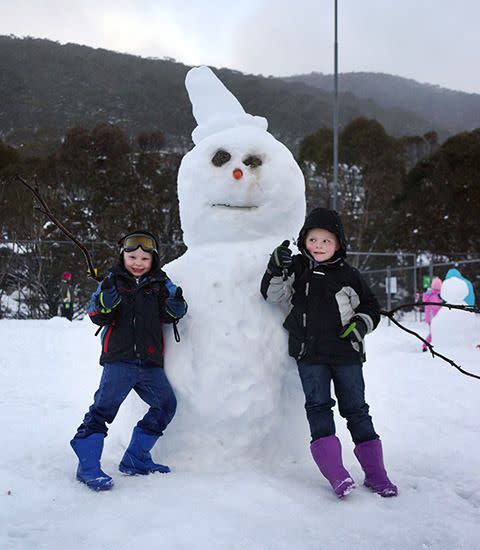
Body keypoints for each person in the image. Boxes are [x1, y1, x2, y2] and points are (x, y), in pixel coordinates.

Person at [260, 208, 397, 498]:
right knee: (318, 409)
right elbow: (272, 295)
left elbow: (370, 308)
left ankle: (377, 475)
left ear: (338, 244)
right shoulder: (297, 269)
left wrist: (360, 324)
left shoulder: (349, 275)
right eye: (313, 239)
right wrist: (275, 269)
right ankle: (337, 475)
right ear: (303, 241)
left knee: (356, 411)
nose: (319, 246)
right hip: (310, 356)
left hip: (346, 355)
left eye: (326, 241)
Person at [70, 230, 187, 491]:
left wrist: (177, 306)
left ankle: (136, 458)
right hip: (119, 362)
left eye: (144, 258)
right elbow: (94, 312)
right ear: (123, 256)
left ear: (153, 261)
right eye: (132, 256)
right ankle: (87, 465)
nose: (137, 262)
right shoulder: (113, 281)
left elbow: (171, 310)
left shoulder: (160, 283)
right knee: (102, 410)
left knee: (166, 404)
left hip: (149, 362)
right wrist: (105, 302)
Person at [421, 276, 443, 351]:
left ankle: (427, 345)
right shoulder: (434, 296)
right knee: (433, 333)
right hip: (433, 317)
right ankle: (424, 345)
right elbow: (435, 307)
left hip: (430, 317)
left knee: (434, 332)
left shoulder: (430, 294)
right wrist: (441, 305)